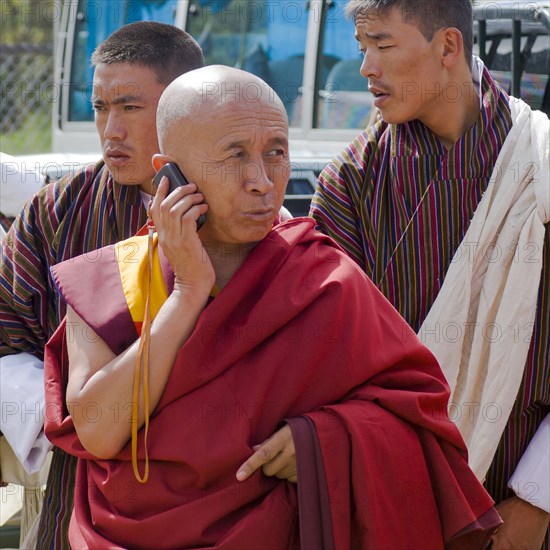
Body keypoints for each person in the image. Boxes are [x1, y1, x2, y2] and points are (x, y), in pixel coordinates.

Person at [43, 64, 501, 549]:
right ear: (169, 174)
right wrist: (186, 295)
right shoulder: (113, 280)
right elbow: (98, 431)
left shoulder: (323, 279)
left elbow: (418, 418)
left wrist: (323, 442)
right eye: (235, 156)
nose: (262, 181)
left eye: (276, 153)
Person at [309, 1, 550, 548]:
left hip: (527, 501)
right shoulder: (351, 183)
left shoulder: (540, 161)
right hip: (394, 498)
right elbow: (331, 360)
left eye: (383, 45)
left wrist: (537, 497)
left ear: (448, 47)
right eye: (361, 47)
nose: (366, 67)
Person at [0, 21, 205, 548]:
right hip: (78, 485)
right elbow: (4, 335)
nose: (111, 129)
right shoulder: (57, 212)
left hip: (205, 488)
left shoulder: (233, 212)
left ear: (184, 106)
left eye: (130, 108)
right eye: (99, 108)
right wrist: (64, 416)